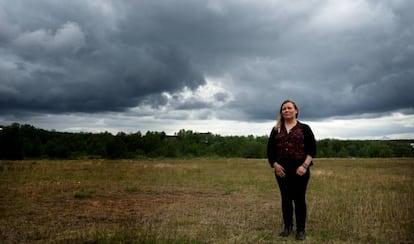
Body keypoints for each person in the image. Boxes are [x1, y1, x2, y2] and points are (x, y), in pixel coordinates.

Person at [266, 99, 316, 241]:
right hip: (281, 170)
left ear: (296, 111)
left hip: (300, 169)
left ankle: (301, 230)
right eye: (284, 109)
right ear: (281, 112)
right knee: (286, 199)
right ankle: (287, 227)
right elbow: (270, 151)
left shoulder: (304, 128)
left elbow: (312, 149)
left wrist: (304, 166)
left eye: (289, 108)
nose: (286, 110)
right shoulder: (276, 129)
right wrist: (274, 165)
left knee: (299, 199)